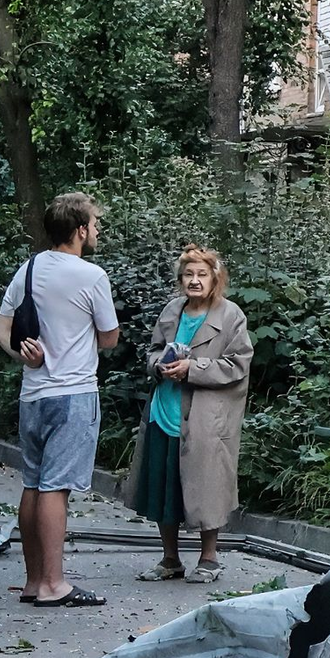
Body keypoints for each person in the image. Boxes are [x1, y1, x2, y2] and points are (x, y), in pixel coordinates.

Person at [0, 193, 119, 608]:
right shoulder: (91, 276)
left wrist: (22, 354)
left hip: (33, 394)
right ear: (80, 229)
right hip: (73, 393)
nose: (97, 231)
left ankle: (33, 581)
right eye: (95, 224)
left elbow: (1, 330)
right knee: (56, 488)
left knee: (32, 482)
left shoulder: (27, 269)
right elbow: (110, 338)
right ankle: (54, 584)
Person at [123, 244, 253, 583]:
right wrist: (159, 366)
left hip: (204, 417)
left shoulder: (230, 316)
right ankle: (170, 559)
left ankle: (209, 558)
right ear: (180, 279)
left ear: (215, 278)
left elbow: (238, 364)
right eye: (188, 275)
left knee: (208, 486)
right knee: (163, 488)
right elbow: (152, 352)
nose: (194, 281)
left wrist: (193, 368)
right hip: (163, 411)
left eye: (201, 274)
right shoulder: (171, 311)